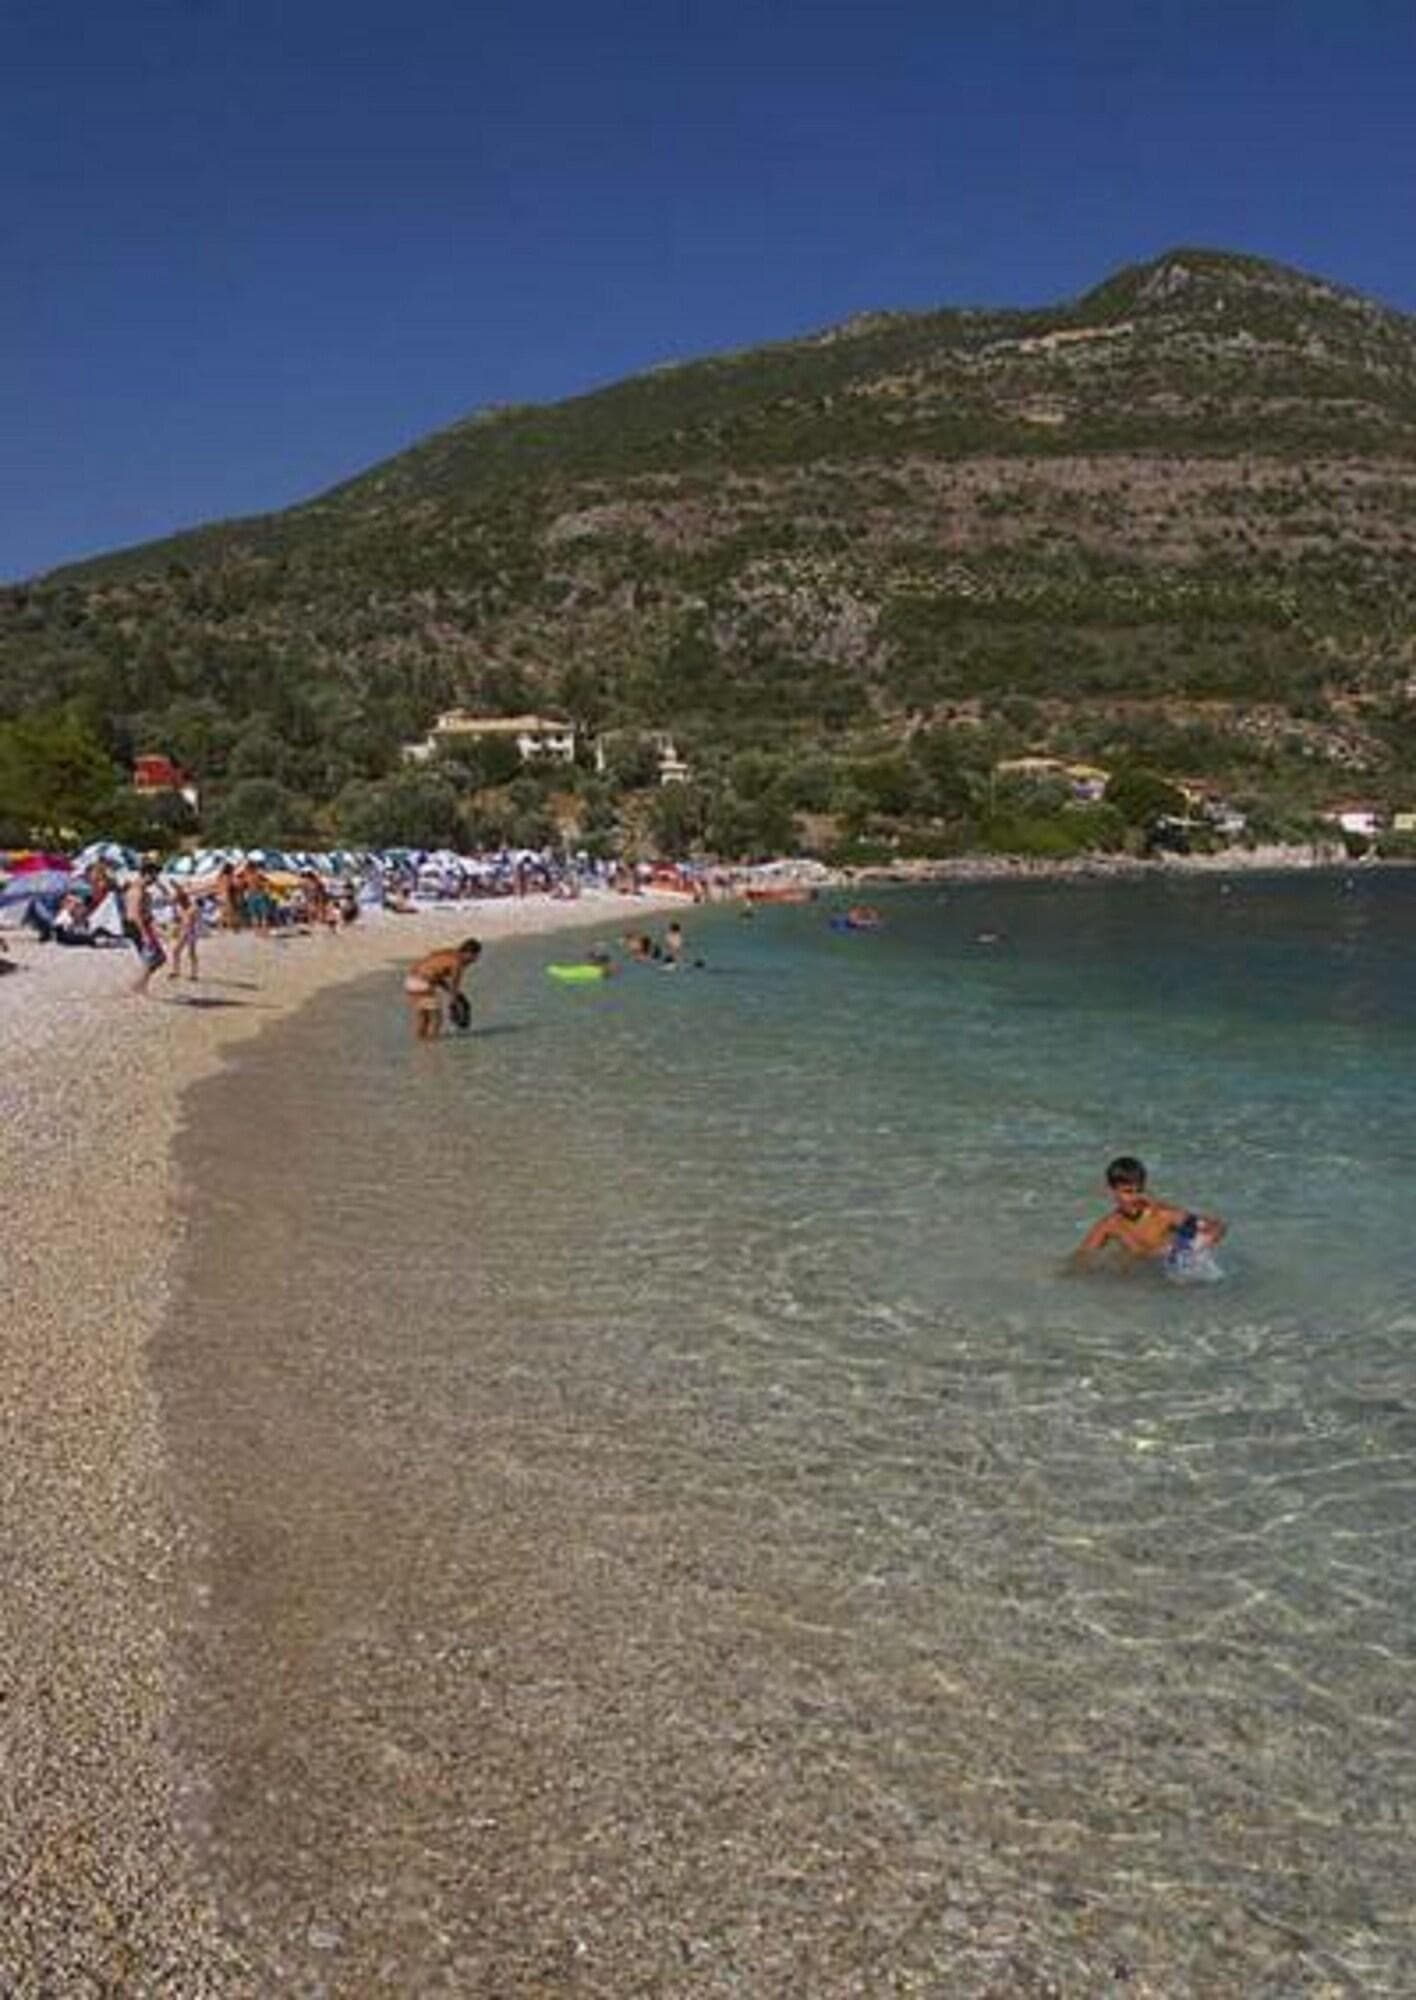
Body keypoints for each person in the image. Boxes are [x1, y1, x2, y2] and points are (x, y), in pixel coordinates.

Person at [1071, 1155, 1226, 1270]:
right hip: (1143, 1278)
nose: (1135, 1198)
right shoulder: (1111, 1225)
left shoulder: (1162, 1214)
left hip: (1170, 1272)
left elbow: (1216, 1225)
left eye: (1139, 1191)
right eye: (1127, 1192)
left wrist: (1209, 1237)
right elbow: (1082, 1256)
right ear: (1112, 1191)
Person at [403, 937, 481, 1041]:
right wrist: (454, 1000)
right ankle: (432, 1047)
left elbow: (436, 975)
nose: (475, 960)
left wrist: (450, 992)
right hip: (423, 984)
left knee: (423, 1017)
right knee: (436, 1018)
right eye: (475, 956)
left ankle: (420, 1044)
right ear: (468, 953)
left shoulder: (448, 953)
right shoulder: (457, 963)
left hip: (410, 980)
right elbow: (454, 982)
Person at [123, 862, 167, 997]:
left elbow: (147, 912)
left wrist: (156, 927)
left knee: (159, 958)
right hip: (136, 926)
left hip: (143, 925)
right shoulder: (137, 890)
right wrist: (144, 934)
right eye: (154, 876)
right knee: (152, 957)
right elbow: (135, 914)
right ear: (147, 874)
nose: (156, 879)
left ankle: (138, 985)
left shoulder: (143, 890)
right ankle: (140, 986)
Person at [168, 883, 201, 981]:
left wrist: (177, 887)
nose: (178, 902)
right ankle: (176, 971)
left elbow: (193, 922)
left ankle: (193, 973)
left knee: (190, 952)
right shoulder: (183, 908)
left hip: (191, 932)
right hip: (185, 931)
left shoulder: (193, 908)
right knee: (176, 951)